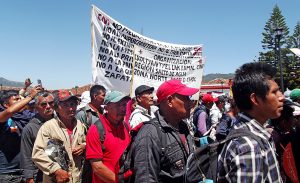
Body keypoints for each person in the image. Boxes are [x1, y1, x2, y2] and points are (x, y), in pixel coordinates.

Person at [217, 62, 284, 182]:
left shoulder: (256, 135)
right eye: (274, 92)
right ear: (255, 99)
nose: (281, 97)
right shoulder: (249, 146)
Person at [132, 79, 198, 183]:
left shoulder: (183, 127)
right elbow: (145, 179)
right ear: (170, 101)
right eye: (186, 98)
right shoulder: (149, 134)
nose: (191, 102)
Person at [32, 90, 86, 183]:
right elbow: (38, 153)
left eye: (73, 104)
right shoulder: (48, 127)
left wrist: (84, 146)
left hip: (77, 178)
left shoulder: (80, 125)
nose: (70, 108)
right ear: (56, 108)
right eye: (65, 105)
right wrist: (56, 170)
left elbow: (88, 142)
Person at [85, 91, 130, 183]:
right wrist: (118, 181)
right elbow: (97, 167)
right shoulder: (96, 130)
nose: (123, 108)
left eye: (124, 104)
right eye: (118, 105)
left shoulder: (125, 126)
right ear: (106, 108)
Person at [0, 86, 41, 183]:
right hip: (8, 174)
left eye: (20, 99)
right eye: (16, 100)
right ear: (6, 104)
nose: (20, 102)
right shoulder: (3, 117)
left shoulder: (26, 116)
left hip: (26, 171)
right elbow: (10, 111)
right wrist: (30, 96)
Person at [20, 91, 55, 183]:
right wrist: (29, 178)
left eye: (51, 103)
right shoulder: (30, 128)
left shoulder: (61, 121)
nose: (48, 106)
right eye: (44, 104)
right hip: (40, 175)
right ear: (36, 107)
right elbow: (26, 155)